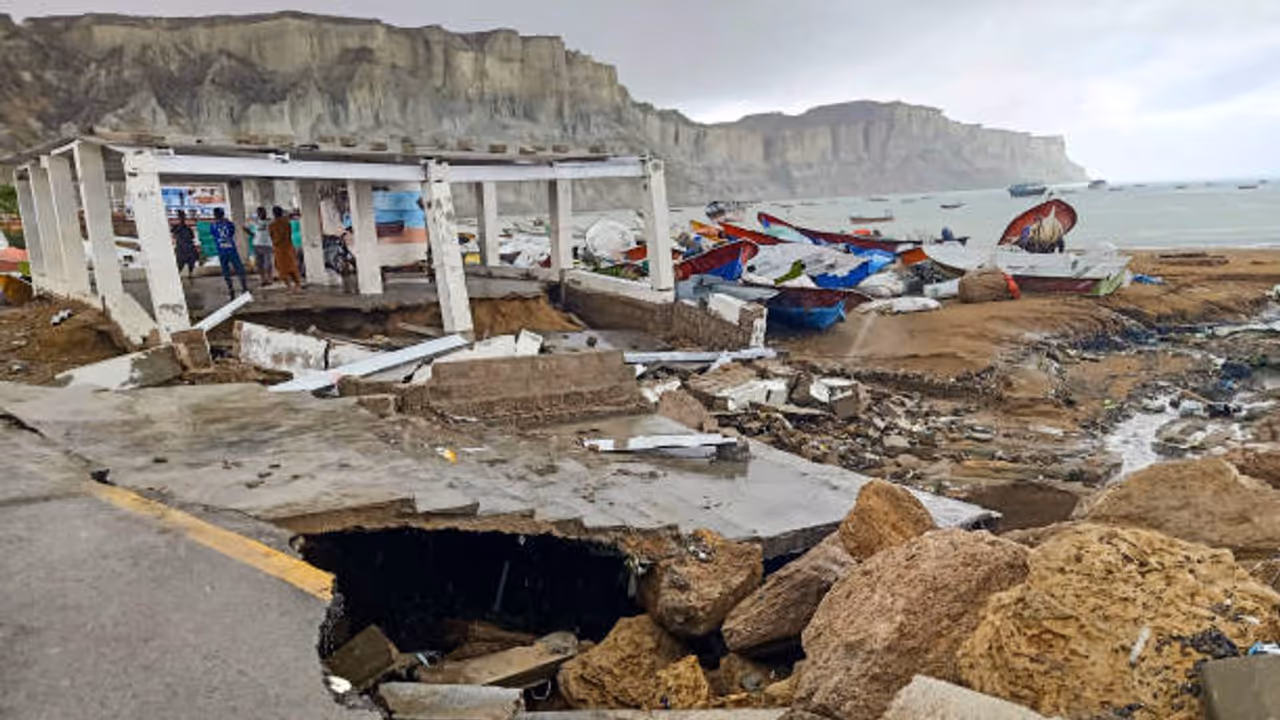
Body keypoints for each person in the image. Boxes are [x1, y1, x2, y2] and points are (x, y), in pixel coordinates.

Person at [210, 207, 249, 298]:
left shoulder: (213, 225)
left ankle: (231, 288)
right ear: (223, 214)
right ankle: (244, 287)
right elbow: (232, 232)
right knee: (239, 268)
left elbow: (213, 234)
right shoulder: (228, 223)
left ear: (215, 215)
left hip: (221, 250)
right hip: (231, 249)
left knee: (226, 270)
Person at [269, 206, 302, 290]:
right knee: (291, 266)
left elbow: (272, 237)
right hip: (287, 248)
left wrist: (276, 243)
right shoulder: (286, 223)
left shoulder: (273, 225)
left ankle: (289, 285)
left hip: (280, 249)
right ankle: (297, 284)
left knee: (283, 268)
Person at [171, 209, 200, 280]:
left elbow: (192, 237)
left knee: (189, 262)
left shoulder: (186, 228)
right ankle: (180, 276)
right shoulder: (178, 227)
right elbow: (174, 234)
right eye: (181, 216)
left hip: (186, 247)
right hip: (182, 248)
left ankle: (189, 274)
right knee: (181, 263)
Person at [247, 206, 272, 286]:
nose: (261, 214)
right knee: (259, 263)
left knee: (268, 263)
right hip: (257, 244)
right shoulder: (255, 223)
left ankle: (269, 278)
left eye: (262, 212)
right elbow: (249, 231)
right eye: (259, 213)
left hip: (267, 244)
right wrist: (250, 233)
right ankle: (263, 279)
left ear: (265, 213)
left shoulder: (270, 222)